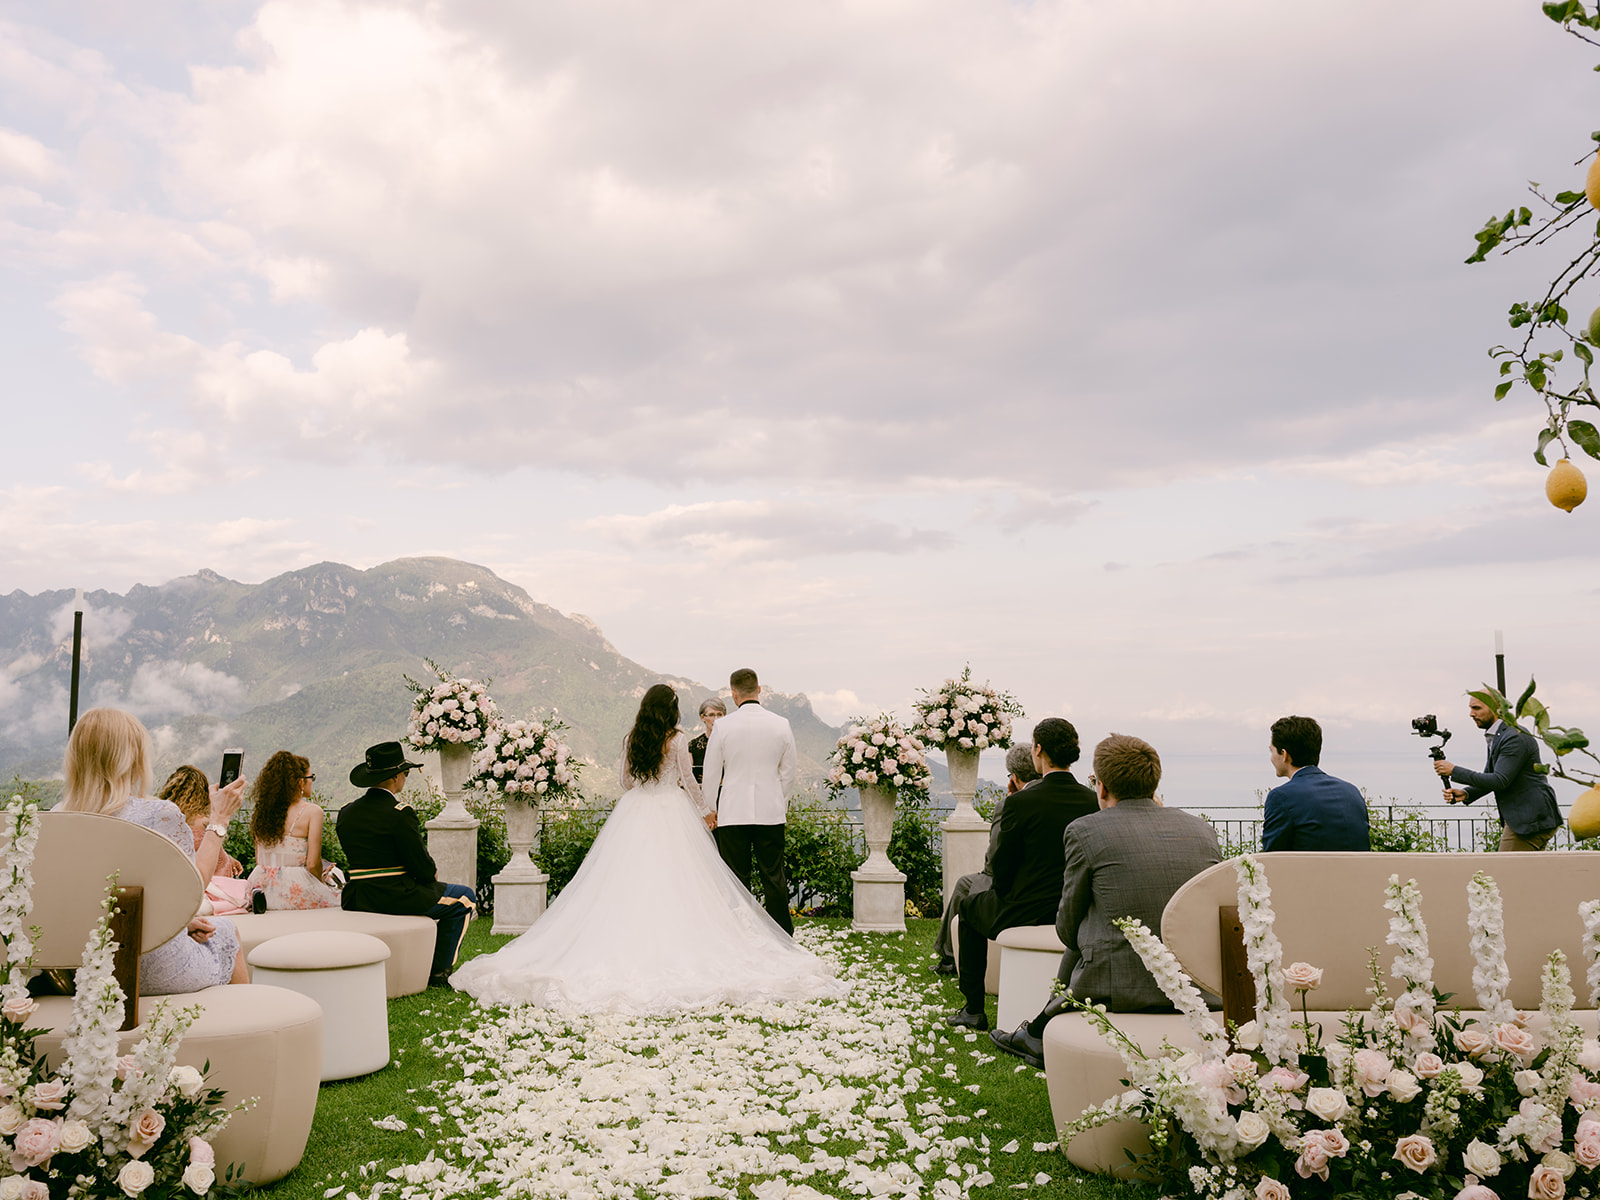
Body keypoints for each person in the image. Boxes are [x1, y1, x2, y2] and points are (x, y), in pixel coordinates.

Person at [450, 684, 845, 1011]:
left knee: (625, 883)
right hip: (672, 811)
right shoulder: (677, 741)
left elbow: (624, 782)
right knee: (682, 882)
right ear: (671, 711)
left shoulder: (632, 738)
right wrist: (708, 813)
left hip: (636, 810)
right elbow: (690, 784)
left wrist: (647, 788)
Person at [990, 733, 1222, 1068]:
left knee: (1086, 922)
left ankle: (1038, 1029)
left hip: (1119, 987)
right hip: (1197, 983)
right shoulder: (1201, 830)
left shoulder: (1085, 831)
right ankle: (1037, 1031)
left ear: (1102, 787)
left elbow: (1067, 929)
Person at [60, 708, 248, 992]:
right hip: (153, 970)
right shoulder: (157, 814)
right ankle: (242, 1030)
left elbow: (91, 901)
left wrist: (179, 926)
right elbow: (192, 888)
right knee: (227, 933)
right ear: (132, 758)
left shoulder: (58, 816)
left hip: (82, 970)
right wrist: (219, 819)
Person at [946, 717, 1097, 1031]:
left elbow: (1002, 867)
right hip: (1075, 910)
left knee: (969, 908)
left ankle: (973, 1009)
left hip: (1025, 908)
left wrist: (1002, 892)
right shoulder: (1092, 800)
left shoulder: (1021, 802)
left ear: (1038, 750)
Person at [337, 742, 478, 987]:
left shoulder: (346, 812)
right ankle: (439, 971)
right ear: (395, 777)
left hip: (358, 896)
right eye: (406, 773)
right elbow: (421, 867)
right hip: (395, 895)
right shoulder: (399, 813)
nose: (405, 777)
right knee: (464, 899)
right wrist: (430, 876)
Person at [701, 668, 799, 934]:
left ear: (734, 695)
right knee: (774, 877)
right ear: (759, 690)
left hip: (733, 812)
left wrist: (711, 809)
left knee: (736, 879)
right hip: (771, 812)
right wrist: (780, 801)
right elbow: (789, 773)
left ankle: (739, 934)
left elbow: (711, 774)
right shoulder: (781, 724)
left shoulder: (722, 726)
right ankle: (782, 934)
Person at [931, 743, 1040, 975]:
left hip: (1013, 887)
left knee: (964, 885)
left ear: (1015, 777)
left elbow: (995, 857)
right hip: (1045, 881)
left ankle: (949, 957)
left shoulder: (1011, 805)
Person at [1435, 694, 1563, 851]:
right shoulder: (1500, 735)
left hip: (1530, 820)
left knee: (1504, 872)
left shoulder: (1514, 737)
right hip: (1532, 817)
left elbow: (1500, 780)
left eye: (1476, 708)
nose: (1471, 714)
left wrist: (1453, 770)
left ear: (1496, 708)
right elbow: (1491, 775)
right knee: (1524, 874)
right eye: (1470, 708)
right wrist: (1466, 793)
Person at [1260, 716, 1370, 852]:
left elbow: (1272, 858)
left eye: (1271, 751)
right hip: (1357, 873)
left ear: (1284, 755)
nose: (1271, 757)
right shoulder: (1352, 792)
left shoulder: (1281, 797)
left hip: (1308, 873)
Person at [248, 750, 341, 910]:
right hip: (296, 888)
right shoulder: (312, 812)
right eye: (310, 777)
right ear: (299, 782)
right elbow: (312, 864)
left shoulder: (263, 813)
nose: (312, 781)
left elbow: (260, 860)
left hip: (260, 886)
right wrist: (322, 881)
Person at [158, 764, 246, 881]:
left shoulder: (162, 820)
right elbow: (208, 856)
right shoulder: (209, 823)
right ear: (203, 793)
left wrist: (227, 857)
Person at [687, 698, 727, 786]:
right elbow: (687, 776)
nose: (716, 719)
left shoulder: (731, 743)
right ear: (702, 717)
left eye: (719, 714)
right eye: (711, 715)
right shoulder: (692, 746)